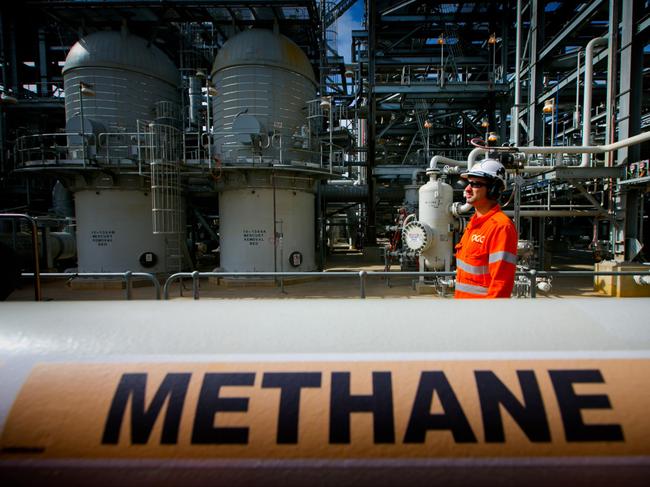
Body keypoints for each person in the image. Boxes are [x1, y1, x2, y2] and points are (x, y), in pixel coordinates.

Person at [454, 158, 518, 298]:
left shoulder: (501, 227)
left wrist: (489, 316)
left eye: (475, 184)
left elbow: (501, 284)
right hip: (463, 309)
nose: (467, 189)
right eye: (468, 183)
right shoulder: (474, 223)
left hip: (481, 314)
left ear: (493, 190)